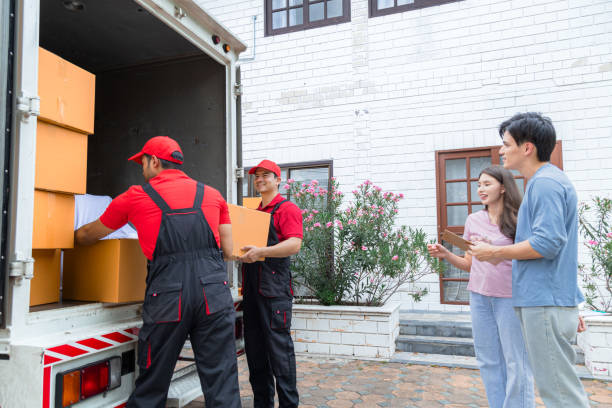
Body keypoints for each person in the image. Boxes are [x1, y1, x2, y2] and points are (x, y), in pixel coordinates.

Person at [75, 136, 241, 408]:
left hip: (167, 296)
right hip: (213, 292)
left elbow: (89, 234)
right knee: (222, 381)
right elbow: (228, 249)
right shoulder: (213, 195)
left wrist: (71, 239)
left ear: (154, 161)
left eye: (142, 162)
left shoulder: (135, 196)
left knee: (153, 384)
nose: (141, 169)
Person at [470, 113, 590, 407]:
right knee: (558, 389)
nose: (501, 151)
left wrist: (493, 252)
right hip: (549, 301)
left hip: (543, 304)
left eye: (506, 144)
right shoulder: (547, 181)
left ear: (527, 148)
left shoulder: (545, 184)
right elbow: (560, 248)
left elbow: (547, 244)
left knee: (560, 395)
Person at [428, 165, 534, 408]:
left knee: (516, 362)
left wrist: (497, 253)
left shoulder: (520, 220)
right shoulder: (473, 220)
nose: (481, 189)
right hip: (479, 298)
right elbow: (469, 265)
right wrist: (446, 254)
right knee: (488, 360)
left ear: (504, 187)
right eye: (479, 185)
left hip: (510, 299)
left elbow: (531, 258)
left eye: (487, 184)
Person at [239, 159, 303, 408]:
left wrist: (261, 251)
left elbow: (294, 244)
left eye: (266, 175)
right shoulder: (253, 212)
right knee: (256, 356)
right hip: (253, 293)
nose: (259, 179)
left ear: (278, 179)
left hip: (275, 293)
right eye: (256, 176)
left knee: (280, 355)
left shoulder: (287, 209)